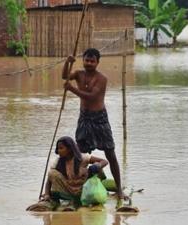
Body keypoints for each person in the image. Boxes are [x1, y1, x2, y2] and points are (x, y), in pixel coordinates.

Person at [62, 48, 125, 201]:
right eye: (86, 60)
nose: (89, 63)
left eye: (92, 61)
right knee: (78, 154)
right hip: (84, 118)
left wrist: (71, 89)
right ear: (83, 60)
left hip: (100, 119)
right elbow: (65, 76)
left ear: (97, 62)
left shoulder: (101, 78)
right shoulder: (78, 74)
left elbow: (91, 97)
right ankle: (75, 187)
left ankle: (119, 189)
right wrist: (67, 62)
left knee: (110, 153)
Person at [41, 136, 108, 210]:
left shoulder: (82, 157)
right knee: (52, 173)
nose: (58, 151)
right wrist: (47, 194)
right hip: (68, 190)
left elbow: (104, 161)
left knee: (97, 168)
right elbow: (49, 180)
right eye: (58, 149)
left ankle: (90, 195)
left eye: (61, 148)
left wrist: (98, 165)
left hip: (83, 190)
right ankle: (71, 200)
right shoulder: (58, 162)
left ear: (69, 149)